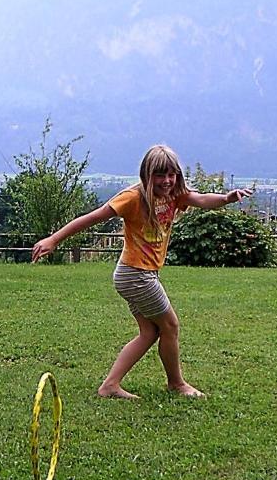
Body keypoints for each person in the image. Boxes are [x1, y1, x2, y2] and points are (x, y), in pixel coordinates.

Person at [32, 144, 252, 399]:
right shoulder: (132, 198)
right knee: (170, 326)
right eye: (160, 175)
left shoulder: (174, 194)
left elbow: (201, 199)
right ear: (147, 175)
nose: (167, 181)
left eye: (172, 175)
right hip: (135, 275)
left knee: (150, 332)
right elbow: (91, 218)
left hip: (141, 274)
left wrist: (226, 198)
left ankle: (110, 386)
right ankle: (177, 383)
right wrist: (54, 240)